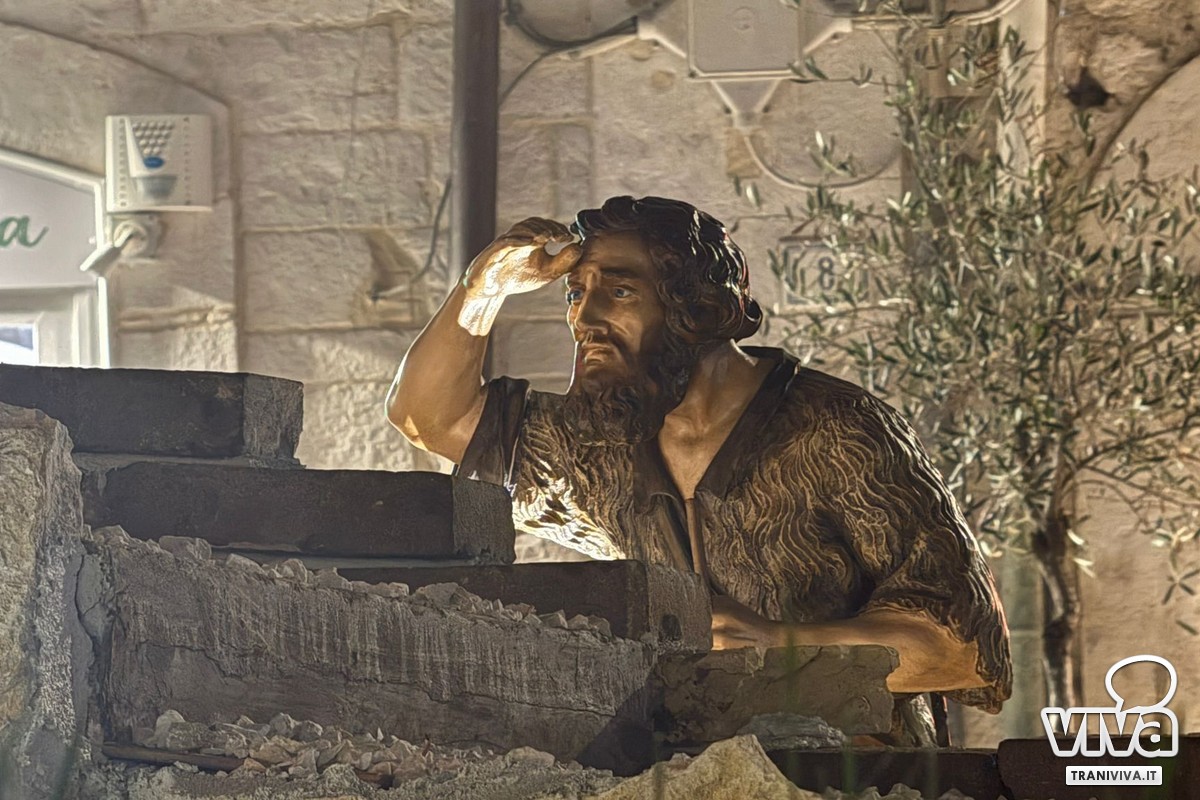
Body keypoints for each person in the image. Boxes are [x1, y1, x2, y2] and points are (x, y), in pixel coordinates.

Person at [386, 196, 1011, 742]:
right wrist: (484, 289)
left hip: (860, 776)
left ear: (701, 307)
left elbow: (966, 648)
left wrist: (780, 647)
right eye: (576, 294)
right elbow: (428, 416)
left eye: (620, 291)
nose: (585, 319)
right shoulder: (600, 437)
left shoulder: (839, 429)